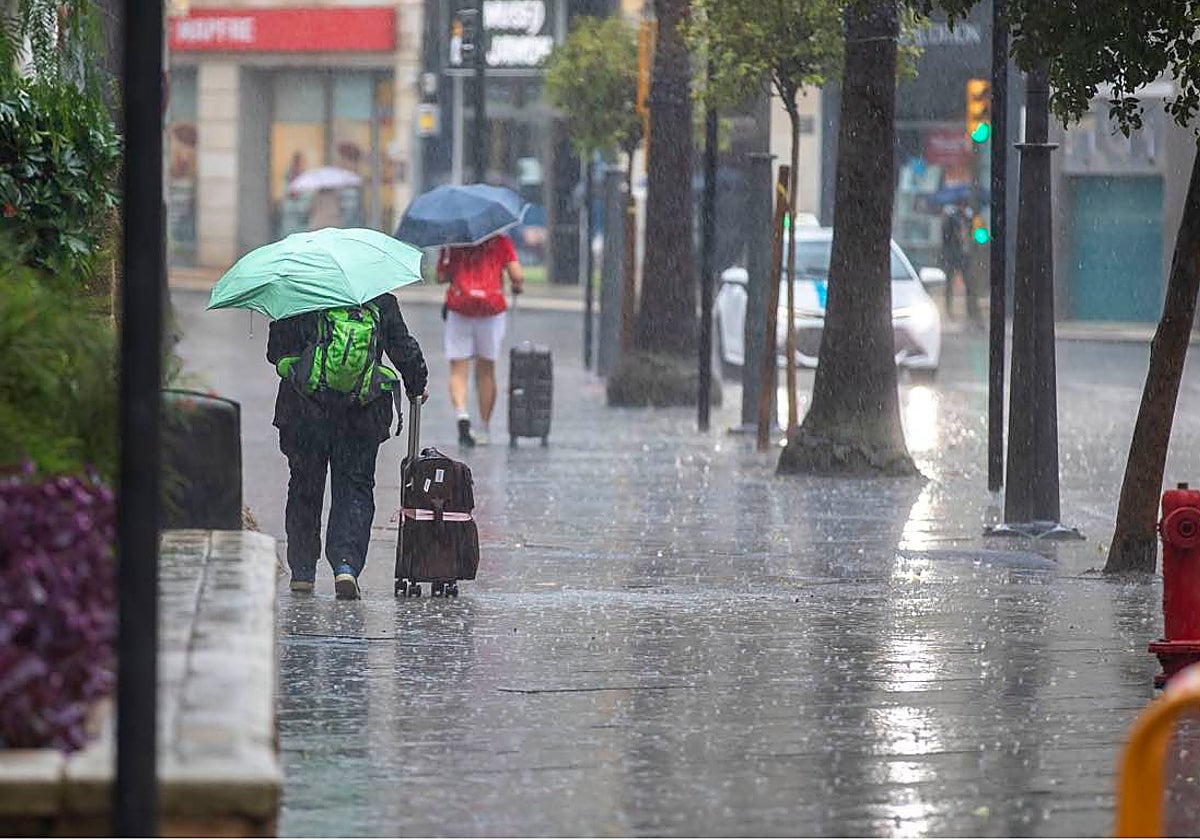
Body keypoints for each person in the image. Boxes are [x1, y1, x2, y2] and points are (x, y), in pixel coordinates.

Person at [267, 293, 428, 599]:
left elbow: (276, 351)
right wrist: (417, 384)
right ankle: (346, 566)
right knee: (354, 487)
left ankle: (302, 571)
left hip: (303, 411)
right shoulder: (378, 298)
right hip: (362, 413)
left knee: (304, 486)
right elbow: (403, 347)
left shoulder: (301, 293)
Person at [436, 232, 524, 446]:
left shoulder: (454, 241)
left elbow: (440, 277)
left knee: (458, 369)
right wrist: (516, 286)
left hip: (459, 308)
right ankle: (484, 428)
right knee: (486, 370)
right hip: (491, 311)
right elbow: (517, 275)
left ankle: (462, 415)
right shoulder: (501, 241)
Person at [940, 203, 968, 319]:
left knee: (951, 284)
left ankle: (951, 310)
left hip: (954, 256)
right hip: (955, 256)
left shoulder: (954, 222)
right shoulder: (953, 224)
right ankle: (950, 310)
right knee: (952, 283)